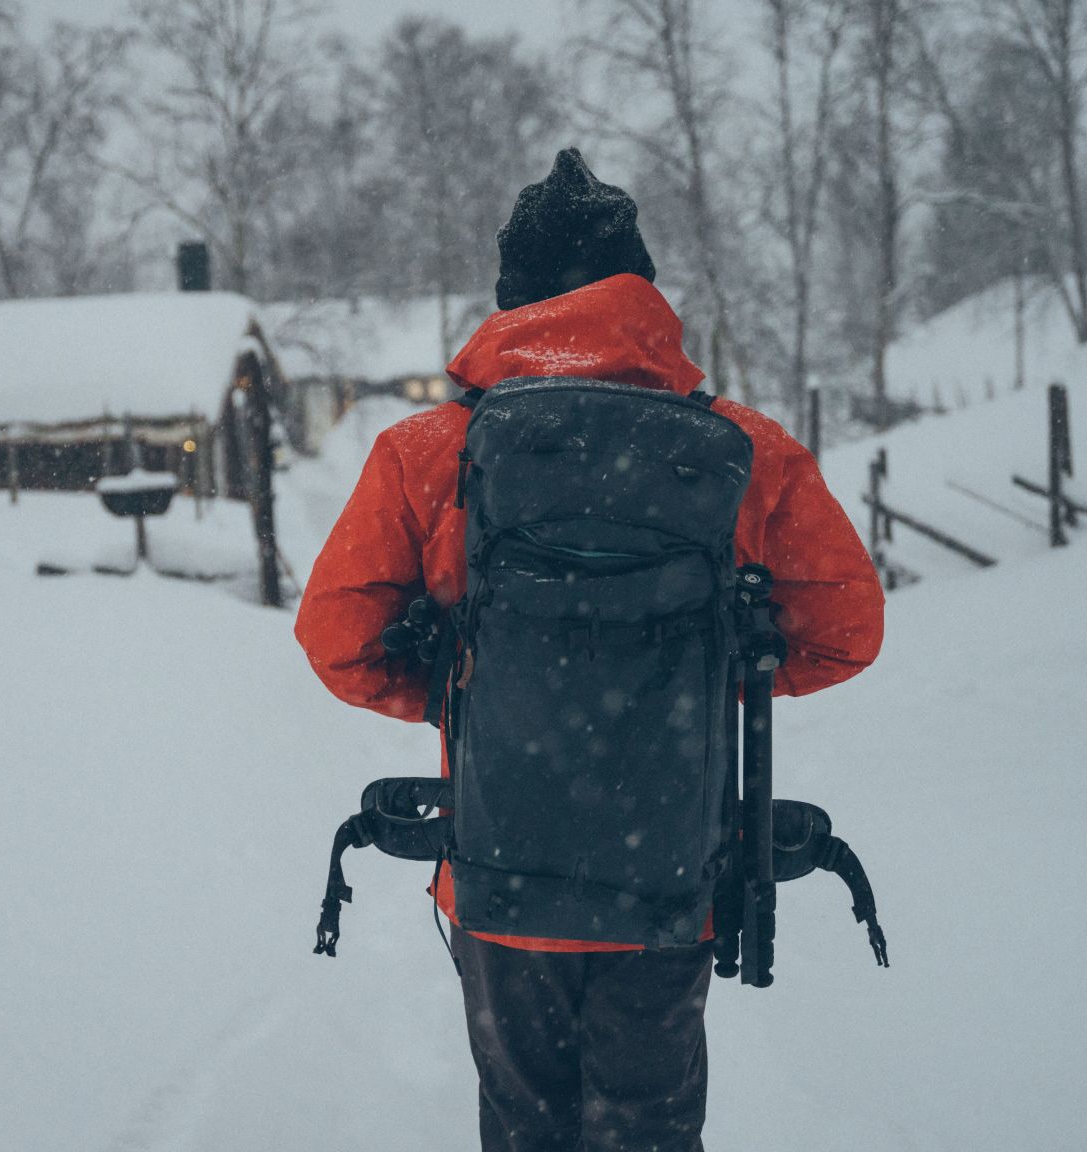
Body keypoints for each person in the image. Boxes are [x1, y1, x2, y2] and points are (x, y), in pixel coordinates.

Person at [294, 148, 885, 1152]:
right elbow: (844, 630)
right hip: (670, 873)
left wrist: (453, 690)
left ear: (510, 301)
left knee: (525, 1122)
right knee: (648, 1126)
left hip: (497, 869)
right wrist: (705, 680)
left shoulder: (428, 451)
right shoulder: (743, 450)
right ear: (641, 295)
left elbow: (336, 637)